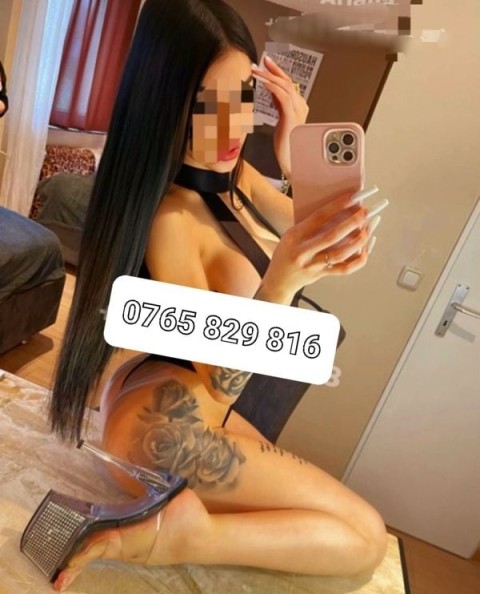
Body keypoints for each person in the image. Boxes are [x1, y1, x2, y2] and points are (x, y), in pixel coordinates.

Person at [49, 0, 387, 591]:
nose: (234, 128)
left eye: (243, 98)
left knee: (347, 529)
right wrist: (280, 283)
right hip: (161, 426)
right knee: (365, 540)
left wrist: (294, 149)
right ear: (164, 105)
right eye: (207, 106)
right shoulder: (170, 219)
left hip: (193, 413)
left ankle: (186, 527)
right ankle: (181, 535)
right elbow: (221, 376)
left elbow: (313, 225)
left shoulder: (235, 178)